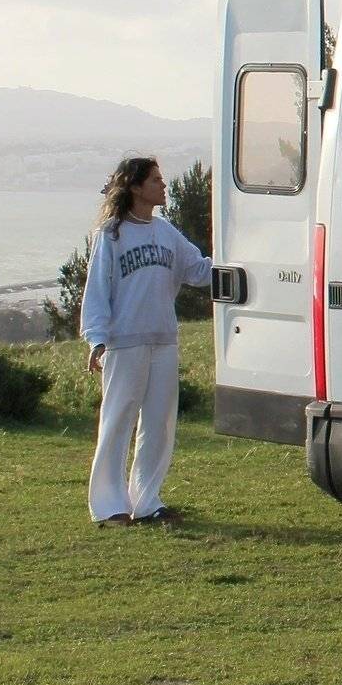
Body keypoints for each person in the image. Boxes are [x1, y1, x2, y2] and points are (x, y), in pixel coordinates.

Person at [79, 156, 211, 527]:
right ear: (135, 187)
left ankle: (147, 501)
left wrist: (240, 265)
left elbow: (197, 269)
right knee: (118, 421)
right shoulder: (112, 234)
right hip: (124, 343)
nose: (163, 186)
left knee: (159, 422)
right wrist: (97, 339)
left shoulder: (166, 231)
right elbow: (98, 289)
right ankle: (108, 506)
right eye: (155, 181)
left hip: (163, 340)